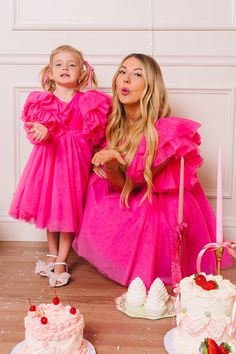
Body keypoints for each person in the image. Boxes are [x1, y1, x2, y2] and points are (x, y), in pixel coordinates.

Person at [73, 53, 232, 289]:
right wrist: (110, 162)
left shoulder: (164, 131)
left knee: (147, 213)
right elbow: (118, 185)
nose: (125, 79)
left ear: (149, 87)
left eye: (137, 75)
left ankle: (146, 271)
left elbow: (136, 183)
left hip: (155, 196)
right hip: (125, 189)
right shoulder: (111, 122)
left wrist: (113, 161)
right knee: (97, 194)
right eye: (123, 72)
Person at [9, 45, 111, 287]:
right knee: (50, 207)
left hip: (74, 161)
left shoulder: (87, 102)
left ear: (82, 74)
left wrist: (98, 156)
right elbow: (34, 133)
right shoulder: (42, 101)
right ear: (50, 73)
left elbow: (96, 134)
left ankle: (62, 260)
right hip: (49, 162)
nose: (65, 68)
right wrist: (43, 131)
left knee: (68, 208)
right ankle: (52, 253)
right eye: (59, 64)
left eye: (71, 64)